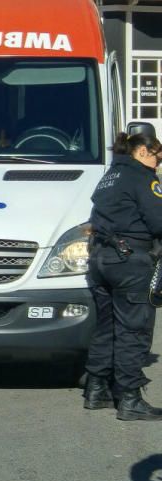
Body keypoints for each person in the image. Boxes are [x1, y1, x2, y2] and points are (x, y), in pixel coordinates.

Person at [84, 131, 162, 421]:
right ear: (142, 151)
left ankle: (96, 389)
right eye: (157, 156)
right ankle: (129, 399)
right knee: (133, 330)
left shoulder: (110, 176)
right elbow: (158, 221)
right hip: (130, 261)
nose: (158, 163)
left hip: (101, 259)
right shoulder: (142, 178)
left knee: (107, 327)